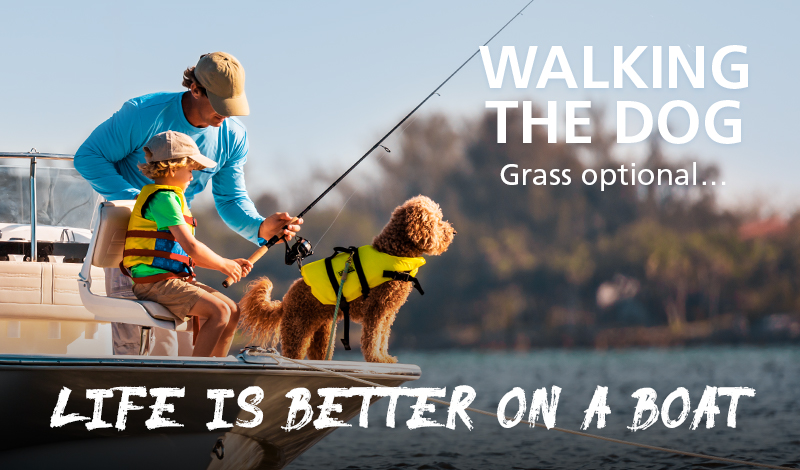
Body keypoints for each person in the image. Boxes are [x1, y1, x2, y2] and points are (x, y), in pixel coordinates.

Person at [75, 52, 302, 355]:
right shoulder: (143, 113)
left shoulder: (233, 136)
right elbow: (88, 158)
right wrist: (142, 202)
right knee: (136, 346)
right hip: (129, 249)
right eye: (220, 104)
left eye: (232, 105)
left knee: (194, 333)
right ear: (195, 89)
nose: (226, 114)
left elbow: (230, 199)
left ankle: (208, 378)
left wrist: (260, 228)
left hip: (175, 249)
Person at [123, 131, 250, 357]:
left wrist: (228, 263)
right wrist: (224, 265)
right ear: (173, 168)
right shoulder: (164, 199)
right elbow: (191, 247)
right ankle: (198, 371)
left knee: (232, 310)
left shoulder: (171, 198)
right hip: (154, 283)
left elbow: (186, 255)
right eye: (190, 169)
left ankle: (217, 367)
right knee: (220, 311)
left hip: (169, 280)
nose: (192, 176)